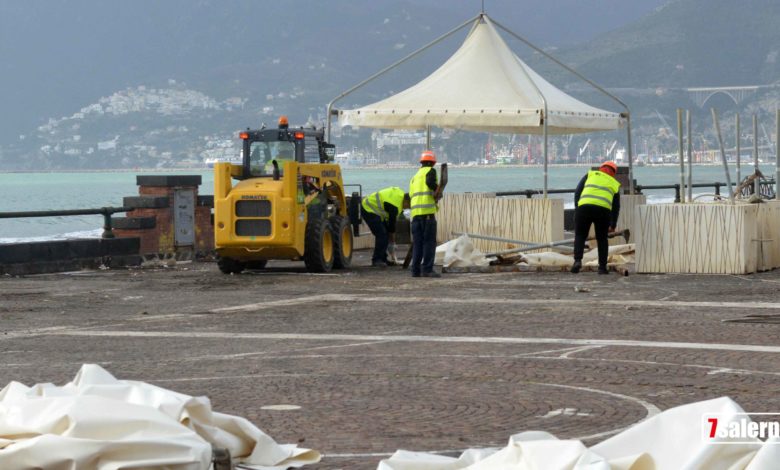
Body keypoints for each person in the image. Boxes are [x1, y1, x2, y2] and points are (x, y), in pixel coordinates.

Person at [571, 161, 621, 275]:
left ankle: (577, 261)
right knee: (602, 239)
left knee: (580, 235)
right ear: (613, 173)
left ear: (601, 168)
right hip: (603, 211)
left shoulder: (590, 174)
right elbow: (616, 207)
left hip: (584, 208)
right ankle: (602, 268)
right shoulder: (614, 183)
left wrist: (577, 208)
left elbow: (577, 192)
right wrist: (613, 225)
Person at [409, 150, 440, 278]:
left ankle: (415, 271)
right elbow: (430, 183)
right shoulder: (430, 171)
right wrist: (437, 190)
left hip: (415, 215)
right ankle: (427, 269)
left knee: (418, 244)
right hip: (427, 215)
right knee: (429, 243)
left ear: (421, 162)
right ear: (433, 163)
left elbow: (411, 195)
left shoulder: (414, 177)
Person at [361, 186, 410, 267]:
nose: (407, 208)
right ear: (406, 201)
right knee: (382, 234)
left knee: (385, 233)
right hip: (368, 208)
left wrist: (391, 241)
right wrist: (392, 242)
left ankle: (383, 258)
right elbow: (391, 226)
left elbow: (390, 225)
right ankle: (376, 260)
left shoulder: (400, 195)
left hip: (376, 210)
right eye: (408, 206)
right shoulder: (395, 206)